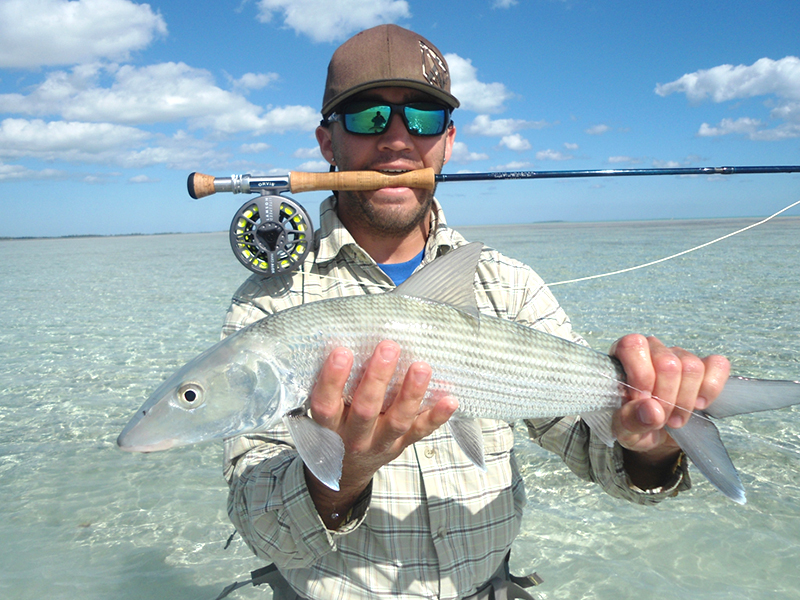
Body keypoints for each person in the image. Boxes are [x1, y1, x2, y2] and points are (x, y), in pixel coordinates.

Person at [221, 24, 730, 600]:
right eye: (366, 116)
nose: (396, 140)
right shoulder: (270, 302)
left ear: (448, 141)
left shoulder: (508, 284)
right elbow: (257, 518)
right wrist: (341, 475)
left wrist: (657, 441)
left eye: (424, 117)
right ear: (326, 142)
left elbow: (600, 457)